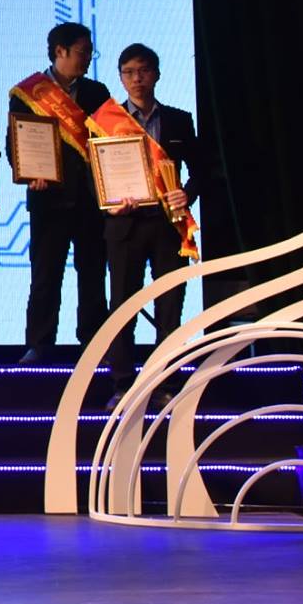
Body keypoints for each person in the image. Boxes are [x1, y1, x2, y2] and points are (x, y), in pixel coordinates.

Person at [93, 43, 202, 397]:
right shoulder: (105, 121)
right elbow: (93, 174)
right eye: (129, 72)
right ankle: (122, 384)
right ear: (120, 78)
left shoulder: (179, 120)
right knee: (122, 306)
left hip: (168, 223)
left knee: (169, 306)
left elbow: (202, 169)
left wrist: (186, 194)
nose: (136, 78)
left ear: (156, 74)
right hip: (124, 224)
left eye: (143, 71)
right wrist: (108, 204)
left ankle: (166, 383)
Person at [12, 22, 112, 364]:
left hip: (91, 200)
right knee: (45, 275)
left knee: (93, 274)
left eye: (89, 52)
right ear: (60, 51)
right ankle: (39, 345)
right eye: (83, 52)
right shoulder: (28, 93)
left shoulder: (97, 92)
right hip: (48, 199)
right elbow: (17, 144)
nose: (88, 58)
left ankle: (94, 346)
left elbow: (108, 140)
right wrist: (30, 174)